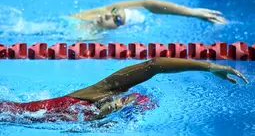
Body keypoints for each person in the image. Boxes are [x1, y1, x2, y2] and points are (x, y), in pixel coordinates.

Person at [0, 58, 247, 123]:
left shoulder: (94, 123)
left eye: (122, 107)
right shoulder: (97, 93)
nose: (116, 104)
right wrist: (208, 66)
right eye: (121, 100)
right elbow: (153, 66)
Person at [68, 0, 227, 36]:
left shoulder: (92, 39)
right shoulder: (89, 14)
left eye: (117, 19)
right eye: (114, 11)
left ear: (120, 28)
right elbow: (146, 3)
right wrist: (192, 12)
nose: (109, 15)